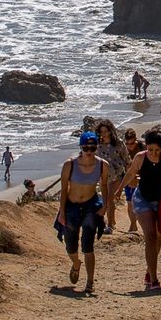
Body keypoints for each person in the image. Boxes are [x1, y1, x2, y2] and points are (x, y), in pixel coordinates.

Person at [113, 129, 161, 291]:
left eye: (157, 150)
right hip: (142, 199)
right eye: (150, 149)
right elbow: (130, 174)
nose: (153, 153)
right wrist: (119, 190)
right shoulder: (140, 157)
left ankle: (149, 271)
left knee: (158, 238)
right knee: (150, 236)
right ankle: (154, 280)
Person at [56, 131, 109, 294]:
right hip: (72, 206)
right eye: (86, 148)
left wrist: (105, 205)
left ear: (97, 148)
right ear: (81, 147)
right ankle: (76, 263)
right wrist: (62, 212)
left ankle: (90, 282)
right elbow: (64, 190)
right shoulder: (69, 165)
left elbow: (105, 186)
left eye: (92, 148)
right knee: (71, 245)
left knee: (88, 244)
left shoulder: (102, 165)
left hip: (90, 205)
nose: (89, 151)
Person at [94, 119, 129, 231]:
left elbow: (126, 158)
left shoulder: (118, 143)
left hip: (117, 174)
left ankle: (110, 225)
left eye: (106, 131)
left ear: (110, 131)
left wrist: (129, 175)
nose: (104, 134)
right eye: (101, 131)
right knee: (104, 201)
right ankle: (110, 220)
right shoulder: (98, 144)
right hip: (103, 176)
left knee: (110, 199)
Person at [122, 128, 142, 232]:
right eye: (128, 143)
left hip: (141, 179)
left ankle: (140, 222)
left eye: (132, 143)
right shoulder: (123, 149)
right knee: (130, 202)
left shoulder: (142, 147)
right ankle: (133, 224)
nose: (130, 146)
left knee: (139, 203)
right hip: (128, 178)